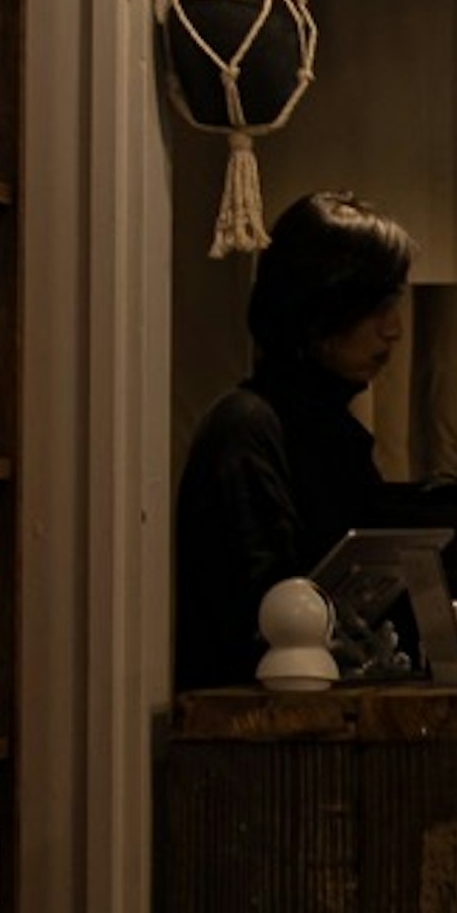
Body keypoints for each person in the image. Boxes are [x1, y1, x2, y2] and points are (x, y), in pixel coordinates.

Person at [173, 186, 414, 687]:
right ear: (319, 308)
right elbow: (257, 620)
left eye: (394, 304)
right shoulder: (246, 431)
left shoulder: (335, 433)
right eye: (375, 307)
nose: (393, 330)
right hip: (261, 732)